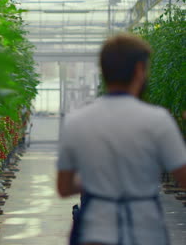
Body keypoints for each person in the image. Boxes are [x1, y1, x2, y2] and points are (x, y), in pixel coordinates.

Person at [56, 34, 186, 245]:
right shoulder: (157, 120)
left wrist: (100, 179)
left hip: (94, 233)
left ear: (104, 71)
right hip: (146, 233)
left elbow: (64, 187)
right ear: (139, 70)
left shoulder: (76, 122)